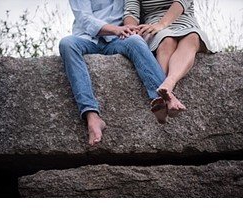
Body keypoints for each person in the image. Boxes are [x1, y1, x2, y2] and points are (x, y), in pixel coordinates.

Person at [58, 0, 169, 146]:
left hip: (119, 40)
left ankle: (162, 98)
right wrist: (115, 29)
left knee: (136, 41)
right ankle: (92, 116)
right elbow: (84, 18)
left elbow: (136, 10)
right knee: (67, 43)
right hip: (87, 39)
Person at [125, 0, 213, 119]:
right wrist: (132, 29)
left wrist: (162, 24)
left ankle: (169, 83)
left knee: (193, 37)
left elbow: (181, 2)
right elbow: (131, 12)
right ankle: (166, 97)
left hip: (184, 21)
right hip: (152, 25)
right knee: (167, 40)